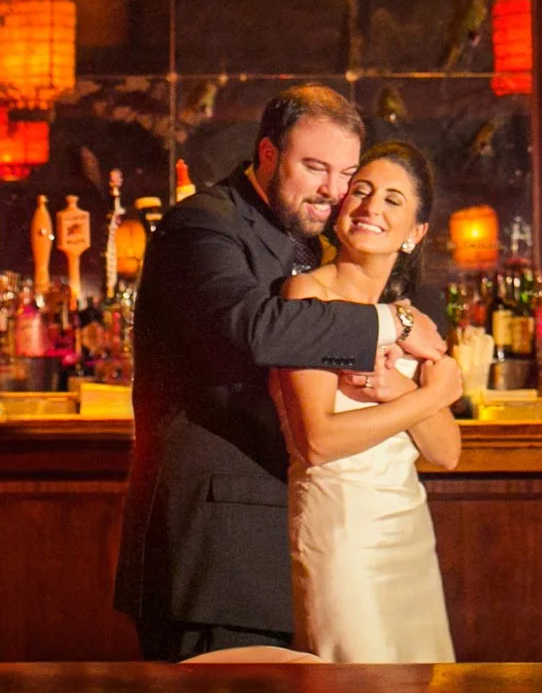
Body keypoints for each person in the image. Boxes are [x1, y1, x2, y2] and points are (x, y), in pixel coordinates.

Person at [114, 85, 449, 662]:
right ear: (267, 155)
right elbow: (257, 329)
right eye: (315, 167)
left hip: (296, 542)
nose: (335, 191)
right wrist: (389, 323)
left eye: (346, 173)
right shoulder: (202, 225)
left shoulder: (312, 237)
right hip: (214, 549)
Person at [271, 140, 461, 663]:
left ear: (415, 233)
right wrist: (434, 394)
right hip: (341, 533)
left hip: (407, 528)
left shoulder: (407, 320)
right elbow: (319, 441)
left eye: (393, 200)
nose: (371, 207)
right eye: (362, 191)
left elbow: (446, 453)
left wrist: (400, 390)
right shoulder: (307, 297)